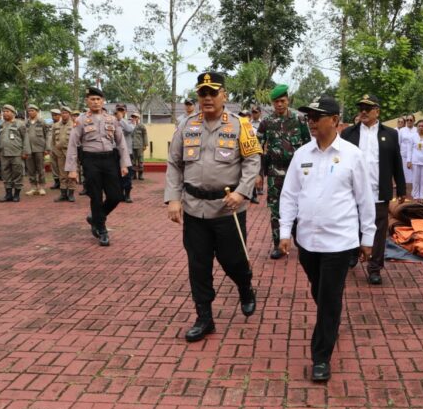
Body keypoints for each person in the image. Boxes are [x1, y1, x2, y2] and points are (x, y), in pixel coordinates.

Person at [279, 94, 375, 382]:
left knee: (329, 297)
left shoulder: (352, 155)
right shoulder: (301, 154)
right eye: (309, 116)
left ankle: (321, 357)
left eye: (316, 117)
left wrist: (367, 237)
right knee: (319, 291)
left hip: (340, 242)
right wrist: (285, 232)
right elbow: (289, 195)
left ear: (334, 120)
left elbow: (365, 200)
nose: (310, 121)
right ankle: (331, 321)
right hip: (307, 241)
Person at [165, 71, 262, 343]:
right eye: (202, 93)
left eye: (213, 92)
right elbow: (174, 163)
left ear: (224, 96)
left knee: (233, 261)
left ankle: (244, 286)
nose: (207, 98)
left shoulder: (240, 125)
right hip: (194, 208)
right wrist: (173, 198)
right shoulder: (186, 125)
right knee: (198, 265)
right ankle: (204, 318)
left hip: (227, 208)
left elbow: (253, 160)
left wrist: (243, 192)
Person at [341, 94, 406, 285]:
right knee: (353, 225)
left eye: (367, 108)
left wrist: (401, 188)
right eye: (361, 108)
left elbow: (397, 162)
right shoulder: (348, 134)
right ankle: (353, 252)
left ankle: (374, 268)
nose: (363, 111)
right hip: (352, 192)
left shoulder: (391, 134)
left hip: (379, 192)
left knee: (379, 230)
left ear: (377, 111)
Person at [65, 87, 131, 246]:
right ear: (87, 101)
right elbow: (73, 145)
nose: (95, 102)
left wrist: (124, 164)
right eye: (92, 99)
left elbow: (121, 142)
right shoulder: (80, 120)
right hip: (90, 160)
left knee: (116, 196)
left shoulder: (112, 119)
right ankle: (101, 230)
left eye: (98, 99)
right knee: (95, 196)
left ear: (103, 101)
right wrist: (72, 169)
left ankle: (95, 217)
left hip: (109, 160)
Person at [256, 84, 311, 259]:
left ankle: (300, 241)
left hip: (297, 173)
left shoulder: (300, 120)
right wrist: (259, 173)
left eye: (282, 101)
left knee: (301, 207)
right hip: (274, 172)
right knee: (276, 209)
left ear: (288, 100)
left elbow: (309, 146)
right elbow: (258, 149)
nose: (279, 104)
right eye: (276, 102)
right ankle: (278, 245)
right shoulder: (266, 122)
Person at [0, 104, 30, 203]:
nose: (5, 113)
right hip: (4, 154)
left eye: (7, 111)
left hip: (17, 154)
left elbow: (25, 139)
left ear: (13, 113)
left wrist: (25, 152)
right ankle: (8, 194)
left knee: (17, 174)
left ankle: (16, 194)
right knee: (6, 174)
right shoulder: (0, 125)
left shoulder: (20, 124)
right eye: (4, 112)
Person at [50, 106, 75, 202]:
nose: (64, 115)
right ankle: (63, 194)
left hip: (71, 153)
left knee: (71, 173)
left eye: (66, 113)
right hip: (59, 153)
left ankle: (71, 194)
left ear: (69, 114)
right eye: (62, 113)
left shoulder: (74, 125)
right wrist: (54, 150)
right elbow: (52, 140)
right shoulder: (55, 125)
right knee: (62, 174)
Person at [406, 119, 423, 204]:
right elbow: (409, 149)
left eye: (422, 126)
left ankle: (422, 197)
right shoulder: (413, 137)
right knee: (415, 180)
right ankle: (415, 196)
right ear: (417, 127)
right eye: (419, 126)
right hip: (415, 161)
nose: (421, 127)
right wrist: (408, 161)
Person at [24, 104, 49, 196]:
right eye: (29, 111)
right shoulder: (26, 123)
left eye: (32, 110)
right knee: (31, 169)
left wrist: (47, 148)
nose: (30, 112)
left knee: (40, 169)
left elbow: (48, 135)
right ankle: (33, 187)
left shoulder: (42, 122)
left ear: (37, 111)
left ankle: (42, 187)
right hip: (29, 149)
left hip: (39, 148)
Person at [114, 104, 135, 203]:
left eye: (122, 110)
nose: (120, 111)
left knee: (127, 175)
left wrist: (121, 119)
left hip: (127, 153)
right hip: (114, 152)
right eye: (118, 110)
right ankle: (119, 194)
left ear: (125, 111)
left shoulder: (130, 122)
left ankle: (127, 195)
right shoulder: (110, 121)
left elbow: (129, 129)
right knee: (115, 175)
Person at [398, 114, 417, 188]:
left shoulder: (416, 130)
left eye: (411, 120)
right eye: (407, 120)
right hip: (404, 154)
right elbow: (399, 143)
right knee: (403, 173)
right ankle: (403, 189)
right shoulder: (402, 130)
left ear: (414, 121)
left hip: (414, 154)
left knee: (414, 173)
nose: (409, 121)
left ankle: (414, 189)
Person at [130, 113, 149, 180]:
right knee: (133, 161)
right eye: (133, 117)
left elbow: (145, 135)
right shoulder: (130, 126)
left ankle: (140, 175)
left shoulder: (141, 126)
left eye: (135, 117)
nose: (134, 118)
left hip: (140, 145)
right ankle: (134, 175)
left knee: (140, 160)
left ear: (138, 118)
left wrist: (145, 145)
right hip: (132, 146)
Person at [49, 108, 62, 189]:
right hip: (52, 148)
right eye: (53, 115)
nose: (54, 117)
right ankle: (56, 182)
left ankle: (63, 182)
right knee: (54, 165)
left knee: (61, 166)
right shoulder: (51, 124)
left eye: (56, 115)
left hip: (60, 149)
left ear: (59, 115)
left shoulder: (62, 124)